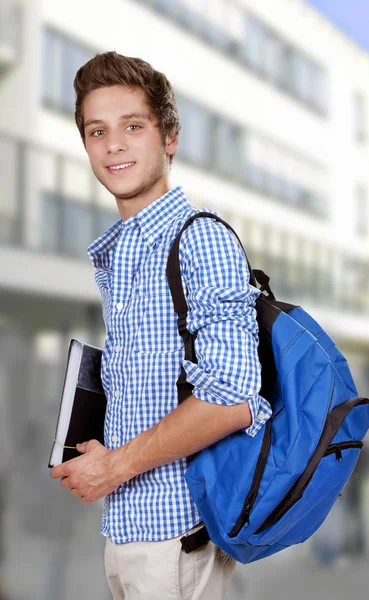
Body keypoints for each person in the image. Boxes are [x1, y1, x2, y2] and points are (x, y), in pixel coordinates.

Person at [50, 51, 272, 599]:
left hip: (177, 537)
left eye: (133, 126)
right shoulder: (124, 257)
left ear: (169, 138)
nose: (114, 144)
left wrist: (115, 467)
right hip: (127, 532)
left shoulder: (200, 241)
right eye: (97, 131)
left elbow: (235, 398)